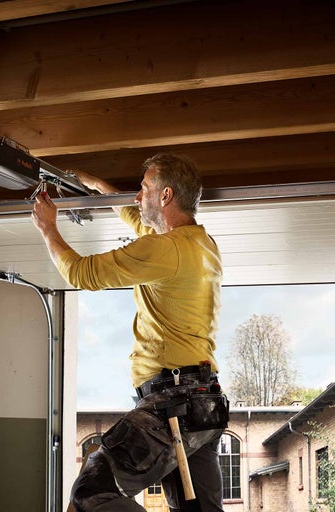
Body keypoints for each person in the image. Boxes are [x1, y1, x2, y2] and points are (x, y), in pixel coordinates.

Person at [31, 153, 228, 512]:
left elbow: (81, 274)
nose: (137, 197)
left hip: (172, 406)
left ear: (165, 196)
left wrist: (48, 228)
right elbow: (140, 222)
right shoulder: (201, 244)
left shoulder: (164, 249)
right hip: (205, 406)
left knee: (89, 498)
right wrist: (98, 186)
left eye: (143, 189)